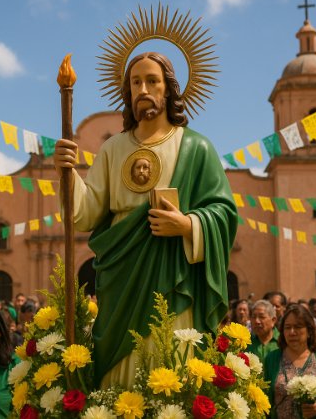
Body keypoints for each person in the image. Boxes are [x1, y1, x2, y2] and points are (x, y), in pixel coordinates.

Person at [54, 51, 237, 387]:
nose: (143, 89)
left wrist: (188, 225)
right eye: (135, 82)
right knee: (118, 377)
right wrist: (67, 173)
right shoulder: (113, 149)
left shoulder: (196, 148)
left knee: (169, 370)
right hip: (122, 277)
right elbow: (85, 214)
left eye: (152, 81)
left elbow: (224, 212)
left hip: (174, 277)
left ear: (168, 89)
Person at [263, 305, 316, 419]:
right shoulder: (272, 359)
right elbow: (265, 402)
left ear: (309, 331)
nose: (292, 332)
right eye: (287, 327)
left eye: (298, 327)